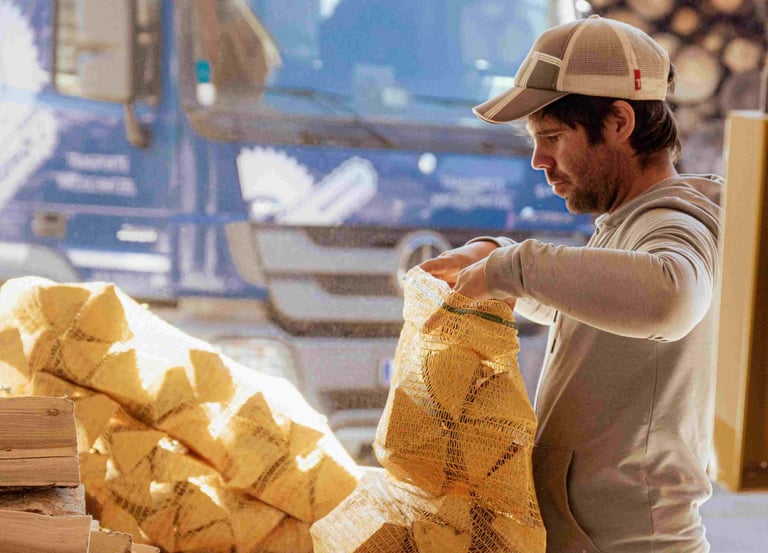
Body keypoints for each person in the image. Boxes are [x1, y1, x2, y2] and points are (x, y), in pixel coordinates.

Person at [421, 14, 722, 553]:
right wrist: (492, 259)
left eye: (553, 137)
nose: (539, 161)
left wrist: (513, 266)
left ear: (619, 122)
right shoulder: (632, 222)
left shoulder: (674, 223)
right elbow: (595, 316)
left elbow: (670, 299)